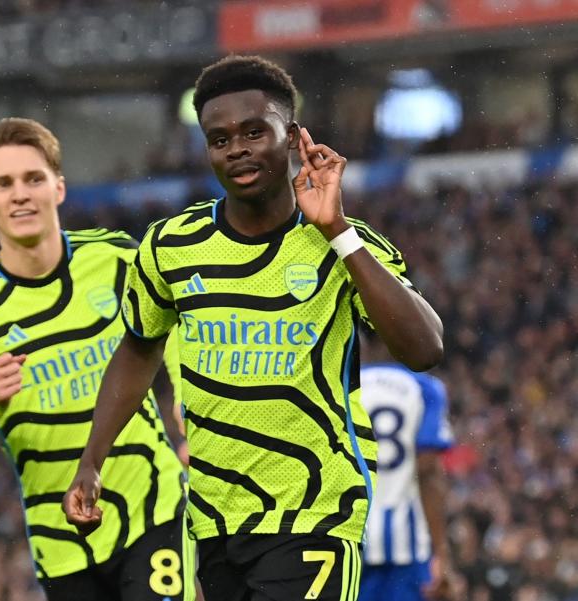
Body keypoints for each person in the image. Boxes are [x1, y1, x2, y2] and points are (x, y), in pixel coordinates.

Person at [64, 54, 444, 601]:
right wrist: (91, 461)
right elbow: (138, 348)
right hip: (214, 518)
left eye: (252, 132)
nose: (236, 148)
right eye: (219, 139)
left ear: (290, 137)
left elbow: (425, 347)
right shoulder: (171, 247)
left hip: (315, 511)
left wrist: (336, 230)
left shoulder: (344, 244)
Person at [0, 117, 192, 601]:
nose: (20, 194)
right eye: (3, 184)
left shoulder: (116, 260)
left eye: (33, 179)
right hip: (59, 538)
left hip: (153, 505)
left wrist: (183, 395)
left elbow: (174, 324)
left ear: (59, 188)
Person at [358, 334, 461, 601]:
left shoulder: (342, 386)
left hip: (351, 536)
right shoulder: (425, 389)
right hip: (405, 547)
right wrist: (442, 555)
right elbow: (428, 471)